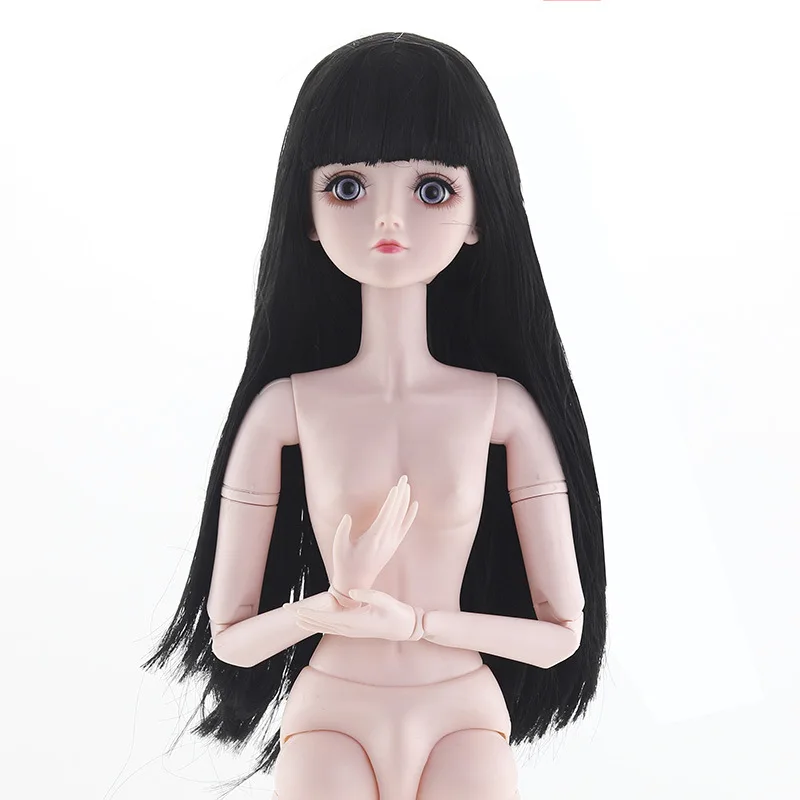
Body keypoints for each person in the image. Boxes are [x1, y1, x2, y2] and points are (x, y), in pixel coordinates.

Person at [145, 31, 607, 800]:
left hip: (462, 712)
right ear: (305, 211)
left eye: (432, 190)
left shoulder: (502, 410)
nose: (388, 220)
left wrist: (421, 625)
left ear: (480, 213)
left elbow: (562, 635)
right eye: (349, 187)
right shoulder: (286, 411)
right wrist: (331, 608)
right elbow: (231, 636)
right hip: (332, 711)